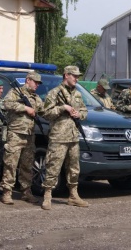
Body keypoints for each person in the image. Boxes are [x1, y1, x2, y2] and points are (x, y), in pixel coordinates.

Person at [41, 66, 89, 210]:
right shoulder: (54, 93)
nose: (76, 78)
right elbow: (46, 113)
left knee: (74, 168)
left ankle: (73, 196)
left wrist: (79, 114)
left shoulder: (78, 94)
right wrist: (63, 108)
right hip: (59, 136)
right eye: (74, 75)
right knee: (53, 166)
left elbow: (84, 110)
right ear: (66, 75)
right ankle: (47, 195)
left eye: (77, 76)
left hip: (73, 136)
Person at [0, 71, 45, 205]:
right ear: (28, 80)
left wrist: (62, 110)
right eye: (35, 82)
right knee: (11, 164)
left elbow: (45, 111)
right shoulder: (15, 92)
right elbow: (6, 104)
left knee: (27, 165)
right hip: (15, 134)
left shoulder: (37, 98)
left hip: (29, 136)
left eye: (38, 83)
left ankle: (26, 192)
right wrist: (25, 108)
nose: (37, 85)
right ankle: (7, 192)